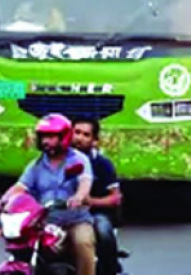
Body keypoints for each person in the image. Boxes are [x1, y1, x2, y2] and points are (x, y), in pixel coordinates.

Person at [0, 114, 96, 275]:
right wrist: (0, 203)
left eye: (51, 137)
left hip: (74, 221)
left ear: (63, 137)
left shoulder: (79, 160)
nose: (45, 141)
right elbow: (20, 187)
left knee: (83, 242)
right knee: (25, 245)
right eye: (43, 136)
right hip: (45, 222)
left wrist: (78, 197)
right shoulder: (36, 165)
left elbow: (85, 181)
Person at [72, 118, 123, 275]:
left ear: (94, 140)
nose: (79, 138)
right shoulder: (58, 159)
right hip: (63, 212)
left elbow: (116, 198)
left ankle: (111, 269)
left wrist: (91, 202)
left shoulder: (102, 164)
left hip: (94, 214)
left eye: (86, 135)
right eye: (77, 132)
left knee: (103, 230)